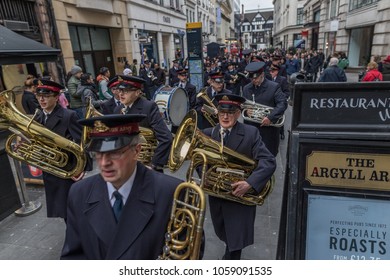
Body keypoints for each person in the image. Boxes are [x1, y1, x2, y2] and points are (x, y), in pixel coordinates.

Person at [61, 114, 182, 259]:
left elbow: (184, 256)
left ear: (137, 151)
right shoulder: (79, 192)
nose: (104, 163)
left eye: (114, 153)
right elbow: (72, 257)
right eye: (98, 153)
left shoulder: (172, 193)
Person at [203, 93, 276, 260]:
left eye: (230, 112)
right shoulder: (209, 133)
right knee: (224, 233)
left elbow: (268, 161)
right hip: (219, 196)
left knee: (235, 245)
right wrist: (206, 176)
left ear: (238, 113)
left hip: (240, 197)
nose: (225, 116)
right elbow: (200, 160)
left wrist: (250, 183)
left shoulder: (251, 133)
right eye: (222, 112)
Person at [33, 79, 85, 220]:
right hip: (50, 169)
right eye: (39, 95)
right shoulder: (37, 116)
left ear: (56, 97)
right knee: (62, 210)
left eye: (47, 95)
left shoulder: (68, 115)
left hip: (67, 169)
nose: (42, 99)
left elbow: (82, 142)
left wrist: (81, 168)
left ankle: (79, 237)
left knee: (72, 210)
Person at [113, 75, 172, 172]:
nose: (121, 94)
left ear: (137, 92)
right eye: (120, 90)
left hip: (145, 166)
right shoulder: (117, 109)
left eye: (126, 91)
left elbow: (166, 137)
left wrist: (154, 165)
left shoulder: (148, 107)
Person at [242, 62, 287, 157]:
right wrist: (246, 112)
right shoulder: (246, 88)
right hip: (252, 131)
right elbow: (242, 105)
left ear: (262, 74)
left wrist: (270, 117)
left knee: (268, 158)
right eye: (251, 78)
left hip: (268, 132)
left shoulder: (274, 87)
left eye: (256, 78)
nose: (253, 80)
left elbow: (282, 104)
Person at [268, 64, 290, 140]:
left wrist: (281, 98)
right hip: (270, 102)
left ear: (277, 71)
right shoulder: (268, 79)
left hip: (279, 102)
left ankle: (282, 132)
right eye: (270, 71)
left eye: (272, 71)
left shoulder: (282, 79)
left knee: (280, 117)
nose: (271, 73)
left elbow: (287, 92)